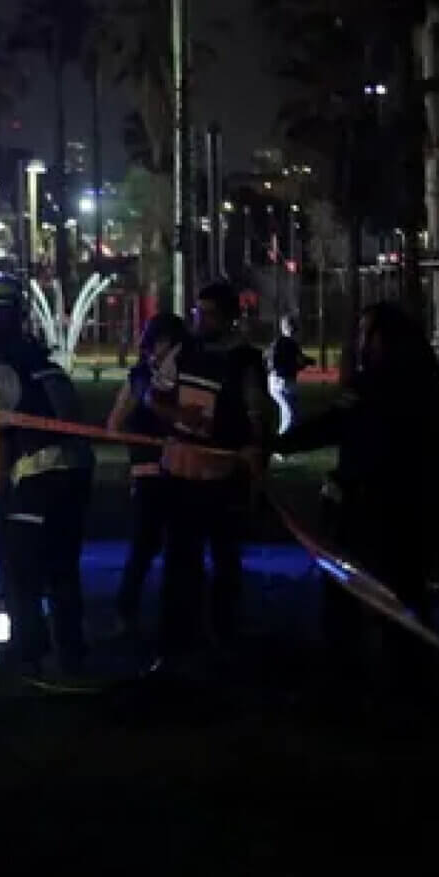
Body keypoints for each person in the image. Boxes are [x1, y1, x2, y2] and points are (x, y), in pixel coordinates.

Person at [274, 303, 439, 681]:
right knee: (405, 596)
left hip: (367, 510)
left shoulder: (372, 385)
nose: (360, 342)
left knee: (347, 594)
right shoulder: (431, 388)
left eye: (365, 333)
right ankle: (413, 676)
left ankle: (352, 680)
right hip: (413, 509)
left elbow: (332, 426)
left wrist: (280, 444)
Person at [154, 282, 273, 658]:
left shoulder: (244, 361)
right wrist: (178, 414)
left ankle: (222, 632)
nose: (199, 320)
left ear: (229, 317)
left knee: (225, 559)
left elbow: (258, 416)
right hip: (181, 474)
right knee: (179, 559)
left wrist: (255, 456)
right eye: (196, 312)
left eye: (208, 314)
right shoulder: (184, 351)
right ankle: (178, 635)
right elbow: (154, 396)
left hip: (223, 477)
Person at [0, 322, 95, 677]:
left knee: (19, 564)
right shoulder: (50, 370)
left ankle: (27, 645)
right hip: (77, 474)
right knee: (63, 566)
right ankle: (70, 648)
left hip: (38, 477)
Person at [109, 313, 187, 642]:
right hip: (149, 474)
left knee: (178, 548)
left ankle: (176, 620)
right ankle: (125, 613)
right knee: (144, 546)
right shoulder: (140, 377)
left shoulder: (187, 375)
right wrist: (140, 446)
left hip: (180, 472)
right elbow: (114, 424)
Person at [268, 315, 309, 435]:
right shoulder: (285, 343)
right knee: (290, 414)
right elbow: (298, 362)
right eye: (291, 327)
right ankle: (280, 445)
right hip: (282, 382)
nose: (293, 331)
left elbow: (299, 361)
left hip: (281, 381)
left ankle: (287, 442)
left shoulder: (282, 343)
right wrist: (302, 363)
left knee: (291, 414)